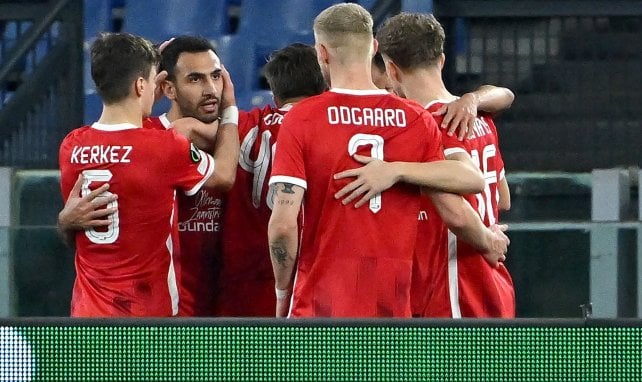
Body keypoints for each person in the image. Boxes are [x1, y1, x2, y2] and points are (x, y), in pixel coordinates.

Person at [267, 3, 494, 318]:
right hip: (392, 305)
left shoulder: (302, 119)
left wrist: (282, 293)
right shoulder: (415, 119)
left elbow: (282, 225)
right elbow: (464, 191)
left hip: (319, 304)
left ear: (321, 52)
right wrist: (486, 239)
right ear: (373, 47)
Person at [343, 12, 515, 317]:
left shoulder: (432, 123)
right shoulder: (481, 119)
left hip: (455, 285)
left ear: (392, 70)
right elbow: (502, 198)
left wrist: (396, 172)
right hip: (495, 282)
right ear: (442, 60)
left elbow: (457, 214)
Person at [58, 35, 239, 317]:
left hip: (86, 315)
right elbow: (225, 175)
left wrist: (63, 220)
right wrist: (230, 112)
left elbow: (76, 233)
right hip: (146, 317)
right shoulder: (163, 147)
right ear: (141, 85)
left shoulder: (72, 145)